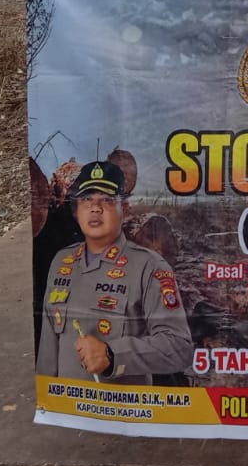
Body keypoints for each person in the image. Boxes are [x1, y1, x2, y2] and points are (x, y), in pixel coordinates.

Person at [36, 160, 194, 384]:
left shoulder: (148, 266)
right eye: (86, 199)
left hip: (124, 405)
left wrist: (114, 356)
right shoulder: (62, 262)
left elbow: (179, 348)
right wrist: (47, 398)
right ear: (76, 210)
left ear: (125, 208)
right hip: (70, 404)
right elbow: (48, 353)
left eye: (107, 200)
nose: (95, 208)